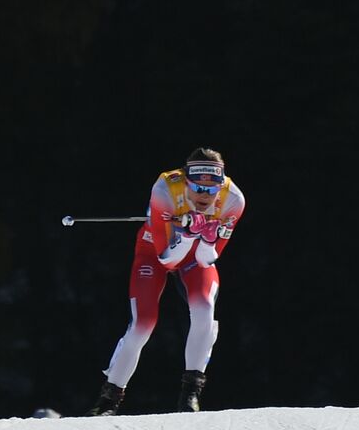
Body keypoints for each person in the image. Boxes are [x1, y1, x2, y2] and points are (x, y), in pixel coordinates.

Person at [91, 148, 247, 415]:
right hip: (155, 252)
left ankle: (191, 394)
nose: (203, 196)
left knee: (204, 311)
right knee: (142, 325)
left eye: (211, 191)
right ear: (186, 181)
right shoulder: (165, 190)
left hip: (194, 256)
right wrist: (187, 235)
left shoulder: (233, 200)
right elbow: (167, 260)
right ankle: (108, 401)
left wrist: (207, 239)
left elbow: (207, 259)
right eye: (198, 188)